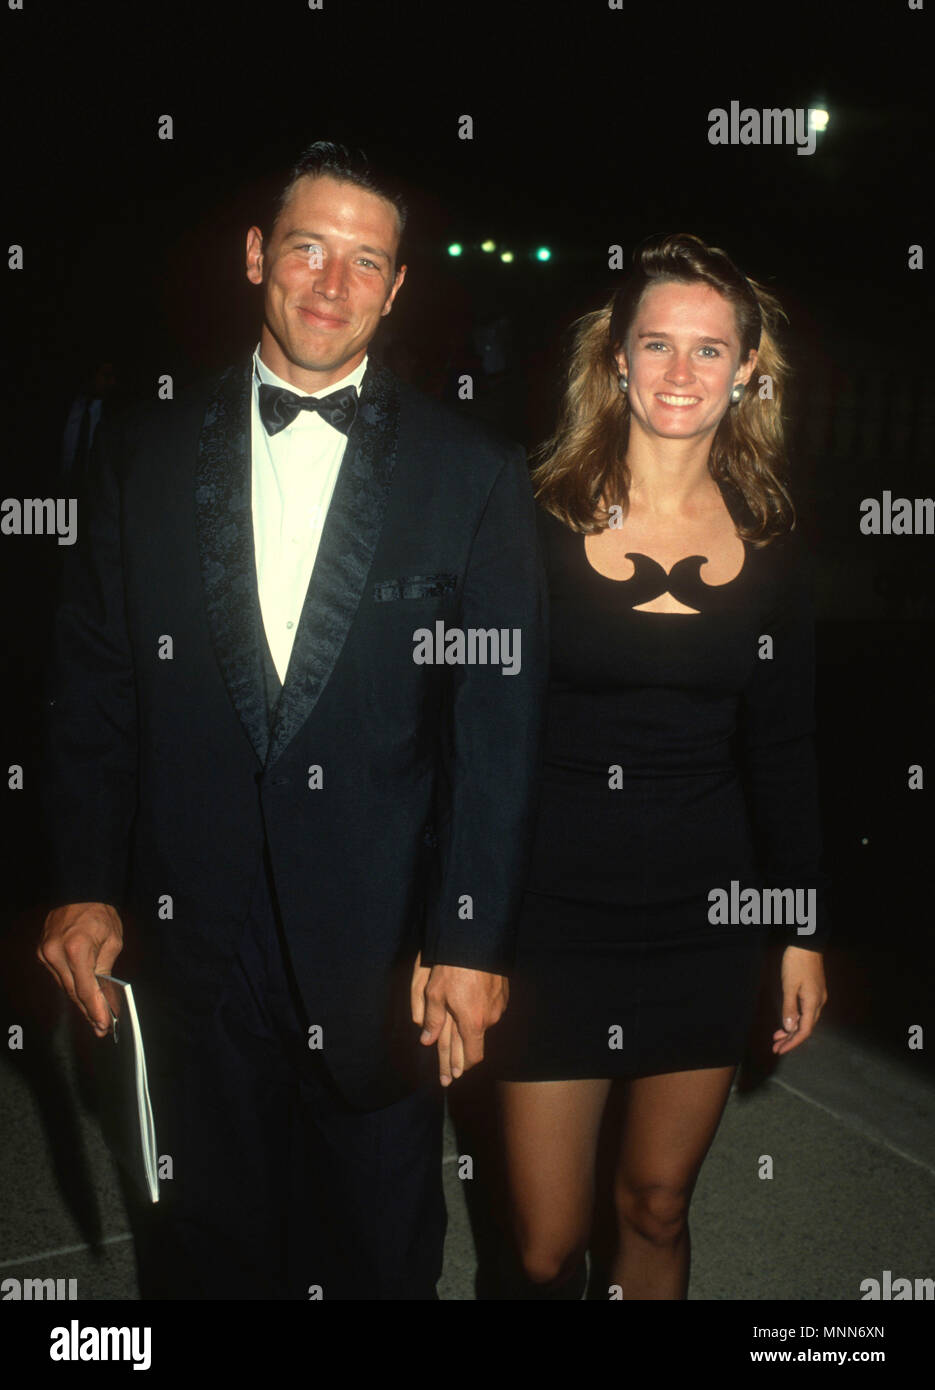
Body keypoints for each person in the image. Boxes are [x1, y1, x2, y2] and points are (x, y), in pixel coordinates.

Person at [37, 140, 546, 1300]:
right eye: (308, 248)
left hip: (382, 956)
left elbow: (495, 729)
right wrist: (82, 877)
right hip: (189, 939)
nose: (331, 285)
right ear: (257, 255)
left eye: (365, 262)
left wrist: (468, 939)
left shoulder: (472, 473)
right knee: (204, 1253)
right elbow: (95, 684)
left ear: (398, 286)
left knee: (374, 1254)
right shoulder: (141, 454)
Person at [486, 233, 830, 1300]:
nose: (681, 373)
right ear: (617, 362)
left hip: (705, 921)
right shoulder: (526, 517)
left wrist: (799, 925)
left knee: (654, 1205)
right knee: (542, 1248)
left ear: (745, 373)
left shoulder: (772, 541)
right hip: (546, 917)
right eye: (657, 345)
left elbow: (781, 750)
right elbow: (476, 737)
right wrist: (456, 927)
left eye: (709, 351)